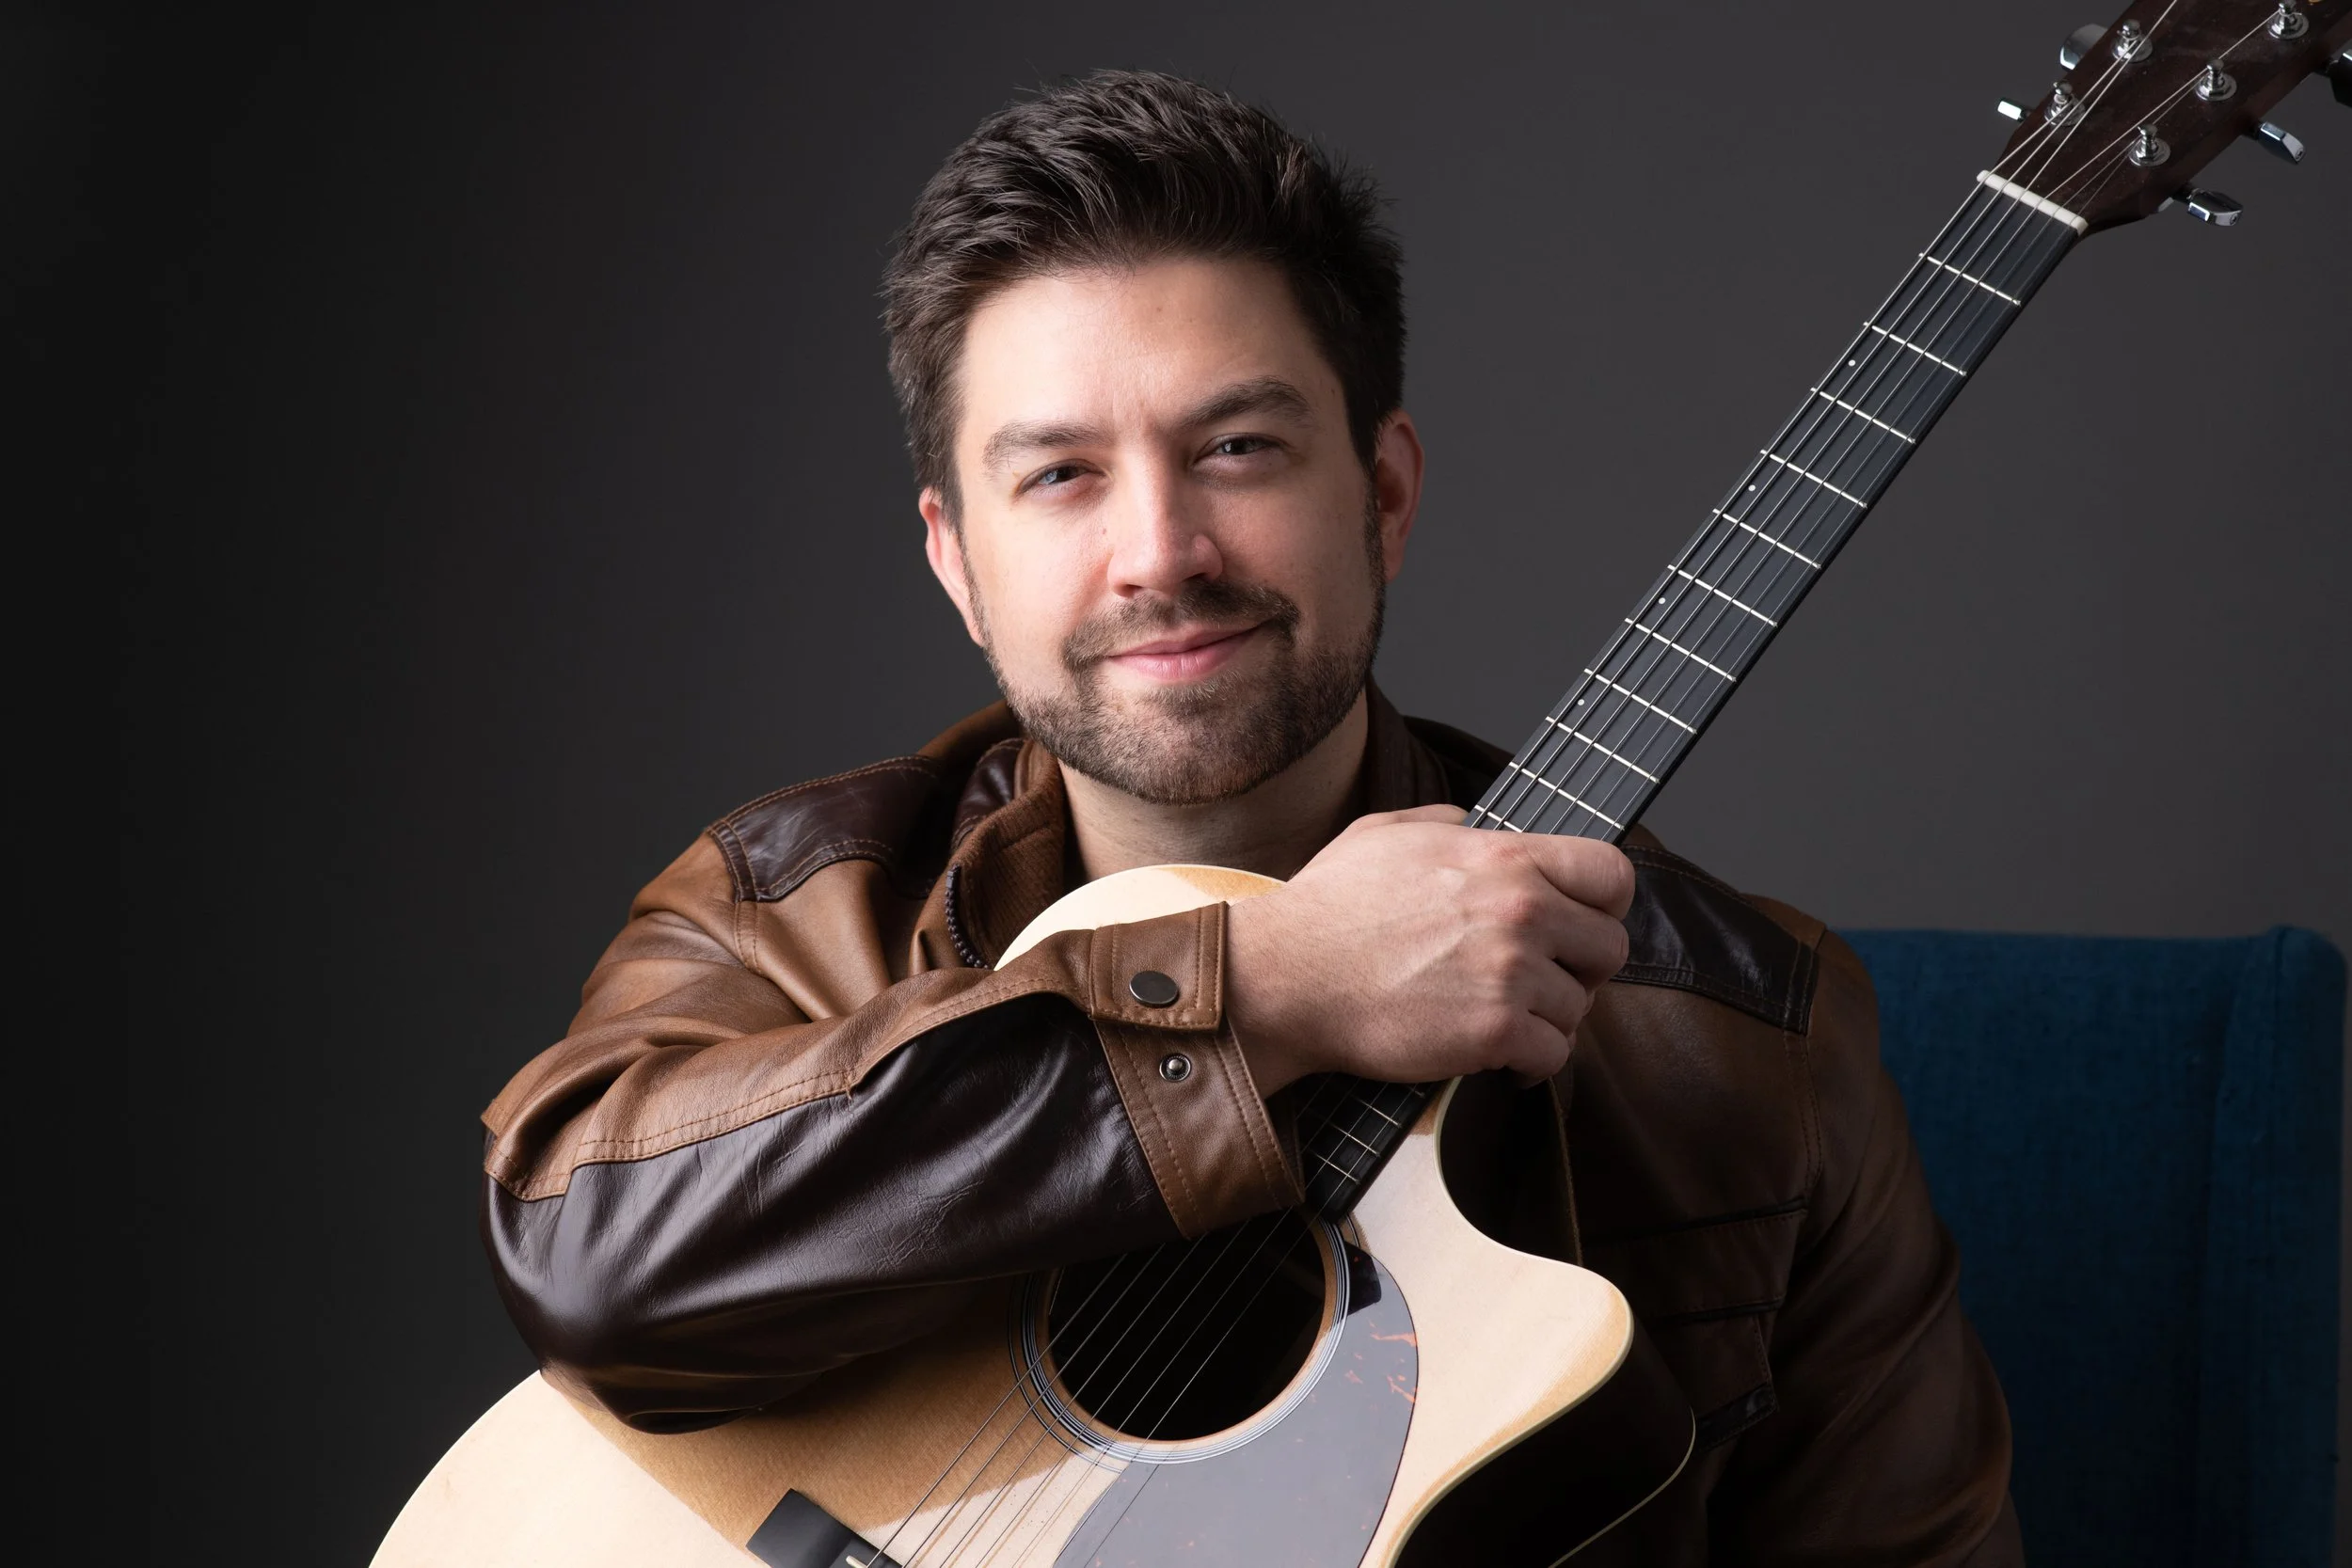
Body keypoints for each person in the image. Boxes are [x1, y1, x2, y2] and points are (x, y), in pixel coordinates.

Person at [481, 71, 2021, 1563]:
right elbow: (588, 1252)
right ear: (957, 563)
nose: (1160, 549)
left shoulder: (1752, 1042)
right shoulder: (797, 910)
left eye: (1236, 447)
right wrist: (1274, 988)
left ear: (1386, 493)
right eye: (1063, 474)